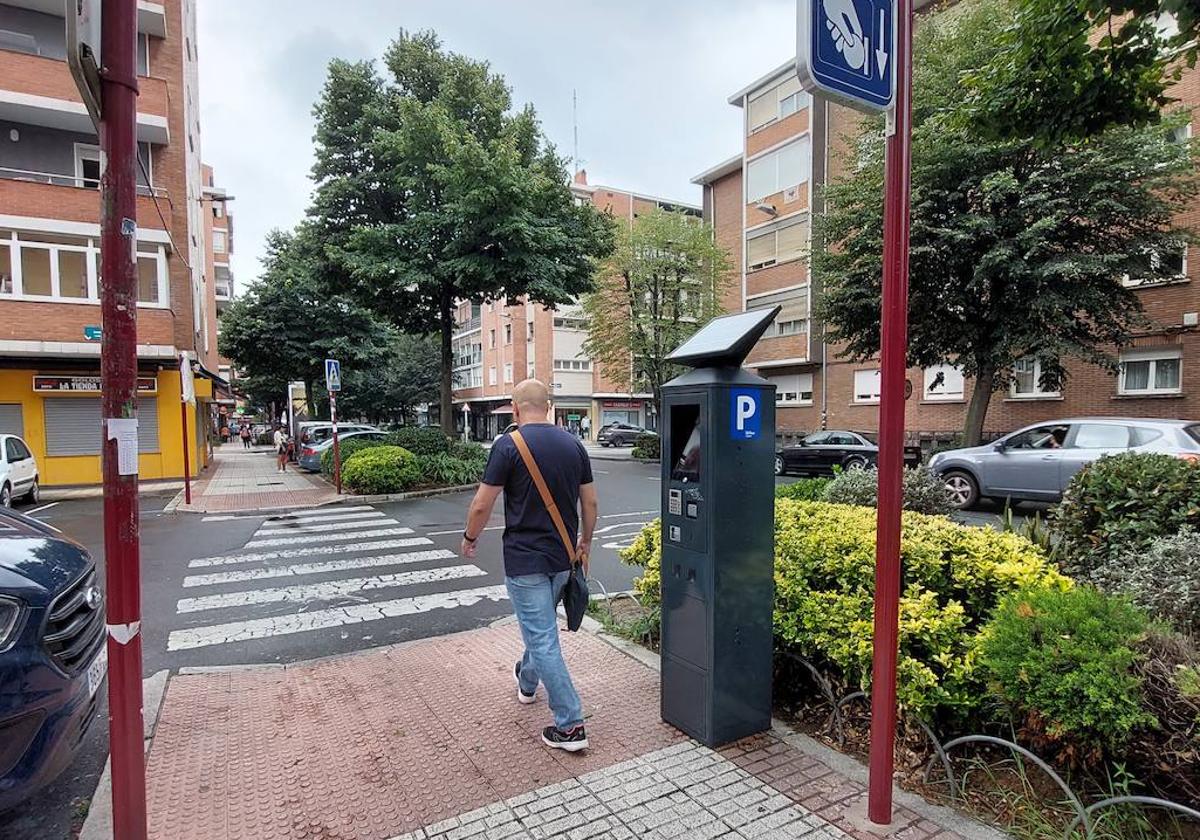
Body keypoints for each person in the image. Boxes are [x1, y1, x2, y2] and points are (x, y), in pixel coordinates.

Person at [461, 379, 597, 752]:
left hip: (525, 561)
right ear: (549, 407)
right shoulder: (574, 444)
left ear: (516, 409)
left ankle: (570, 725)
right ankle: (526, 683)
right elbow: (590, 504)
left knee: (541, 636)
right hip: (563, 559)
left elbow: (481, 504)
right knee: (540, 629)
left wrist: (470, 538)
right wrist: (585, 542)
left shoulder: (508, 445)